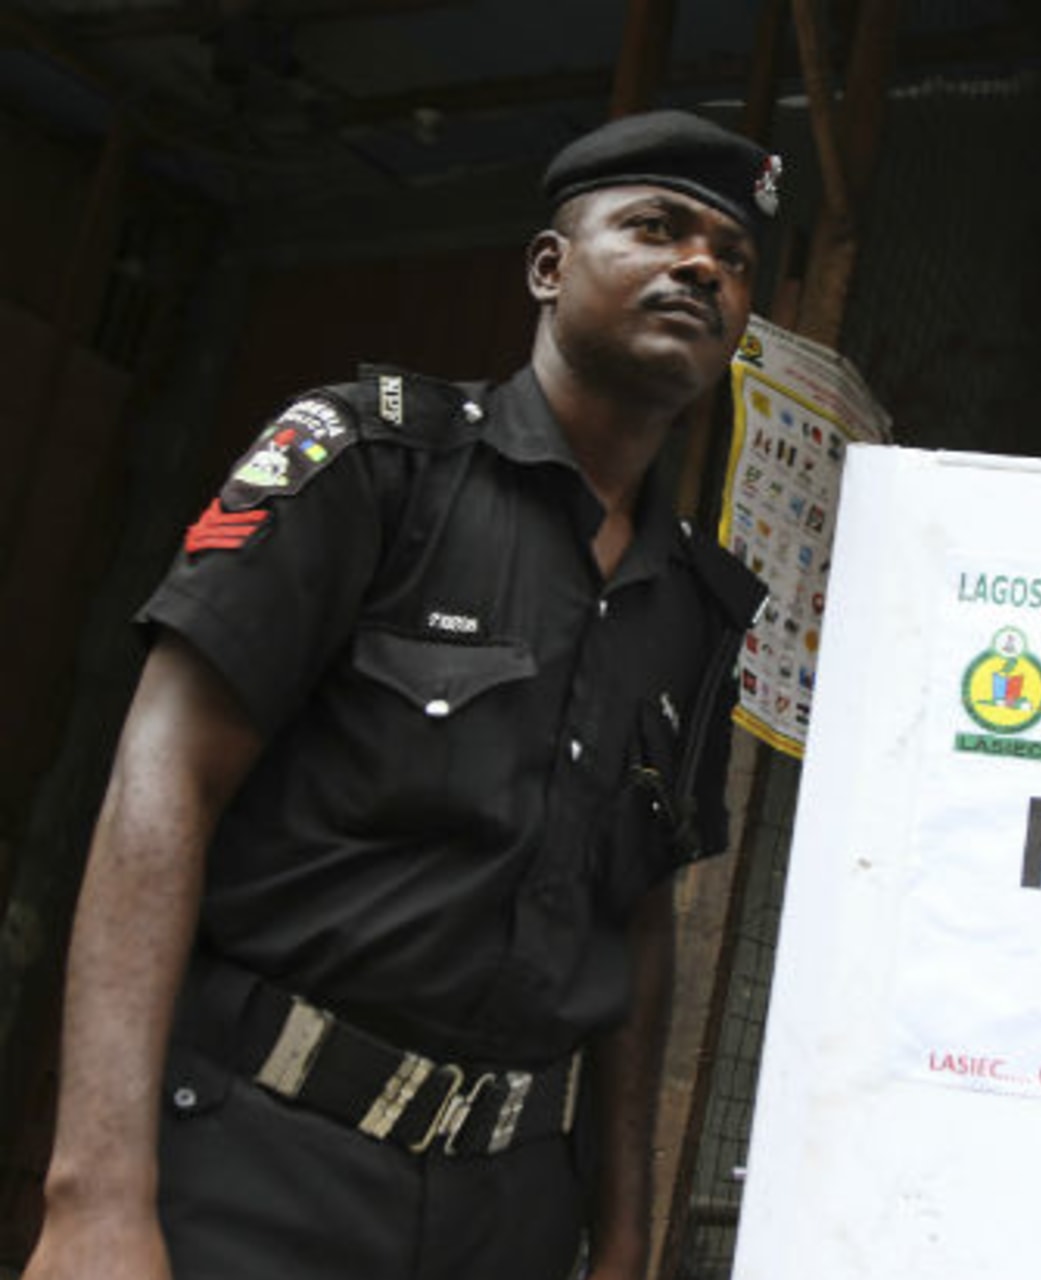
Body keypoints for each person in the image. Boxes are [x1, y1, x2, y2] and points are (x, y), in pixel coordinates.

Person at [23, 109, 776, 1280]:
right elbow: (165, 775)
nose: (701, 267)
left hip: (508, 1208)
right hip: (260, 1162)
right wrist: (96, 1190)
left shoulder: (695, 607)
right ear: (547, 265)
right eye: (657, 228)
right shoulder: (371, 465)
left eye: (732, 257)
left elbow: (637, 924)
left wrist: (623, 1240)